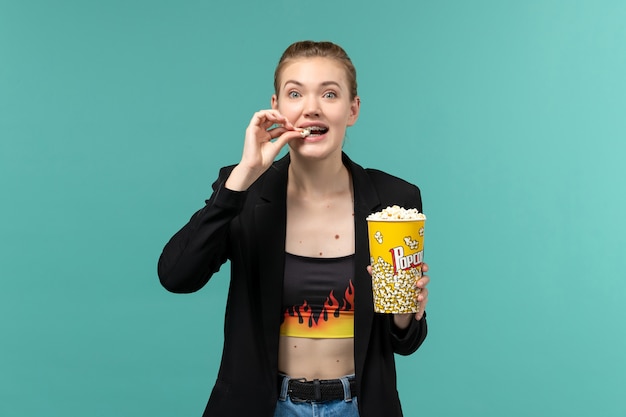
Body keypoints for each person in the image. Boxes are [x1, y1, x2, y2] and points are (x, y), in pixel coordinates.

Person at [157, 40, 430, 417]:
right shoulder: (246, 192)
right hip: (263, 405)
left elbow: (405, 342)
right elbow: (176, 275)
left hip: (358, 406)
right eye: (295, 93)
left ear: (353, 110)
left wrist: (406, 312)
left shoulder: (394, 199)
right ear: (276, 108)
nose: (311, 107)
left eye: (330, 94)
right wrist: (242, 177)